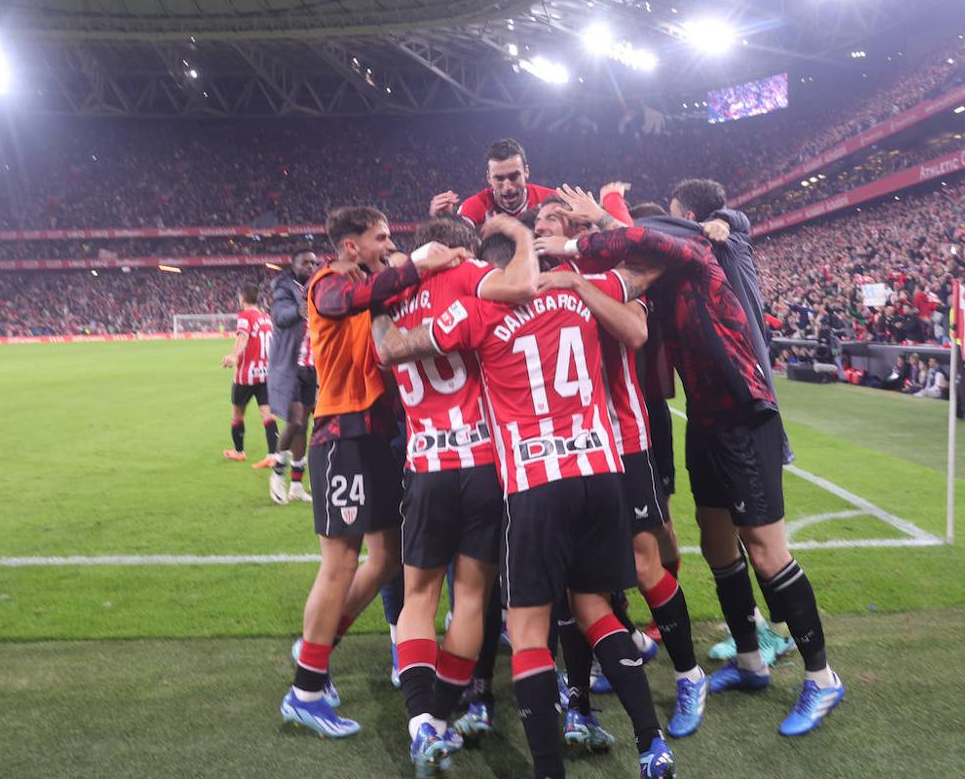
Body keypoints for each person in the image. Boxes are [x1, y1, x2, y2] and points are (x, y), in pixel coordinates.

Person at [537, 181, 844, 737]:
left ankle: (822, 678)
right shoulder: (663, 273)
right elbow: (631, 249)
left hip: (746, 418)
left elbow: (642, 238)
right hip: (706, 420)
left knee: (767, 552)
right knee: (715, 541)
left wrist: (583, 234)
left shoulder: (698, 253)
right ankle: (749, 660)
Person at [372, 231, 679, 779]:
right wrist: (582, 241)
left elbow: (393, 349)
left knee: (527, 629)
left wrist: (388, 286)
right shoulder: (581, 289)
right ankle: (652, 745)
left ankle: (536, 765)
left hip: (530, 480)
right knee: (594, 608)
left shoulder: (476, 309)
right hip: (601, 471)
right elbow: (655, 265)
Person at [280, 206, 468, 741]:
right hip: (341, 438)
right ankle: (306, 690)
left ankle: (318, 644)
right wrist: (415, 265)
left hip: (378, 440)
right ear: (350, 246)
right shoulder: (327, 284)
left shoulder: (371, 281)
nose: (390, 243)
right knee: (339, 564)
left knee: (388, 558)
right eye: (380, 237)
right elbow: (355, 300)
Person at [376, 214, 541, 772]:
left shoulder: (392, 295)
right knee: (471, 598)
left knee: (418, 597)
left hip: (425, 462)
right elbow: (521, 287)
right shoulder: (470, 275)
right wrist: (522, 238)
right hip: (484, 462)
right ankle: (446, 716)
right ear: (462, 249)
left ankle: (421, 719)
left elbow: (383, 350)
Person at [258, 249, 320, 505]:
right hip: (290, 366)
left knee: (304, 425)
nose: (311, 265)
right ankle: (277, 473)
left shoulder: (318, 286)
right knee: (295, 422)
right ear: (293, 264)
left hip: (312, 365)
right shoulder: (284, 289)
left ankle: (296, 485)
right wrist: (300, 311)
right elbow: (280, 317)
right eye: (305, 261)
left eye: (314, 262)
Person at [428, 138, 556, 226]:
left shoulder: (551, 199)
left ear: (526, 172)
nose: (507, 186)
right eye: (499, 178)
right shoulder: (474, 206)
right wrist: (444, 220)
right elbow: (459, 241)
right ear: (489, 178)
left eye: (513, 177)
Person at [221, 284, 279, 465]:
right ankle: (272, 456)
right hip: (266, 373)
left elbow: (243, 337)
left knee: (237, 414)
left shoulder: (245, 316)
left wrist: (233, 355)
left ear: (242, 298)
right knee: (268, 415)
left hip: (246, 375)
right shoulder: (266, 318)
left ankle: (239, 452)